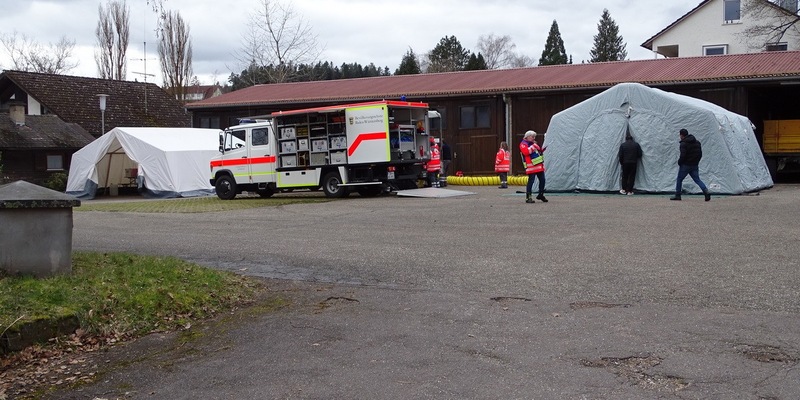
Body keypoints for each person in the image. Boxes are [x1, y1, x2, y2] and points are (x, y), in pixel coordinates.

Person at [671, 128, 711, 201]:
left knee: (679, 179)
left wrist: (679, 162)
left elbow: (683, 155)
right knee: (697, 179)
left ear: (681, 135)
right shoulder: (697, 142)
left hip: (685, 165)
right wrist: (696, 162)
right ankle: (706, 191)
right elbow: (700, 154)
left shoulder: (683, 144)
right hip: (694, 164)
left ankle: (678, 195)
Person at [519, 130, 547, 203]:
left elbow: (538, 153)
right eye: (532, 136)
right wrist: (533, 146)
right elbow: (526, 152)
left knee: (543, 180)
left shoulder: (532, 144)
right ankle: (528, 198)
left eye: (534, 137)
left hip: (538, 166)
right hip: (531, 167)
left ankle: (541, 194)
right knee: (531, 181)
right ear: (527, 136)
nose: (534, 138)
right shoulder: (523, 144)